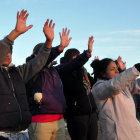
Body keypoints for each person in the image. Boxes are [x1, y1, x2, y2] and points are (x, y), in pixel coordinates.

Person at [0, 9, 53, 140]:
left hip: (23, 133)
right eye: (5, 51)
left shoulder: (18, 72)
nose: (8, 54)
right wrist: (15, 34)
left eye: (10, 52)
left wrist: (48, 43)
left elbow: (38, 63)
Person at [26, 28, 72, 140]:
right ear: (37, 54)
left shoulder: (55, 70)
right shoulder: (31, 68)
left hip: (59, 120)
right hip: (40, 121)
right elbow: (43, 60)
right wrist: (60, 48)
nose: (50, 55)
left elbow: (73, 64)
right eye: (47, 52)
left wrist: (87, 54)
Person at [56, 36, 98, 140]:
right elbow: (73, 86)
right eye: (76, 57)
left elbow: (93, 84)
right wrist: (86, 55)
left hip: (91, 113)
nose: (79, 60)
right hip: (76, 115)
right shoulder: (64, 71)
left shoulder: (83, 71)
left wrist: (97, 68)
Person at [91, 57, 140, 140]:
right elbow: (114, 86)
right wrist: (136, 69)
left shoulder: (124, 87)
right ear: (103, 74)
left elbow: (135, 84)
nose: (117, 71)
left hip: (133, 134)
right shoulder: (98, 88)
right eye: (113, 69)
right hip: (116, 136)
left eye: (117, 68)